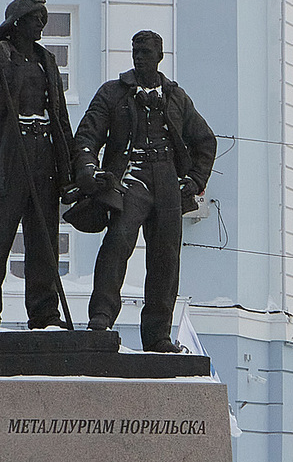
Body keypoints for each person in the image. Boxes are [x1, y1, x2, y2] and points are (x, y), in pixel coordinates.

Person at [74, 29, 217, 352]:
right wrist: (88, 168)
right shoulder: (113, 93)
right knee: (116, 244)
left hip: (167, 182)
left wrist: (194, 181)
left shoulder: (176, 97)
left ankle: (158, 336)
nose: (139, 57)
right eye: (136, 51)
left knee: (166, 259)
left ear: (159, 57)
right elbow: (87, 136)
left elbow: (205, 140)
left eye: (146, 53)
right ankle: (101, 317)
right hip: (130, 178)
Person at [0, 0, 76, 334]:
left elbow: (60, 116)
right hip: (7, 158)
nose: (42, 23)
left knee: (44, 240)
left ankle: (45, 315)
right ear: (18, 22)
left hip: (43, 155)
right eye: (36, 17)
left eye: (44, 18)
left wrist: (68, 168)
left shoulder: (46, 60)